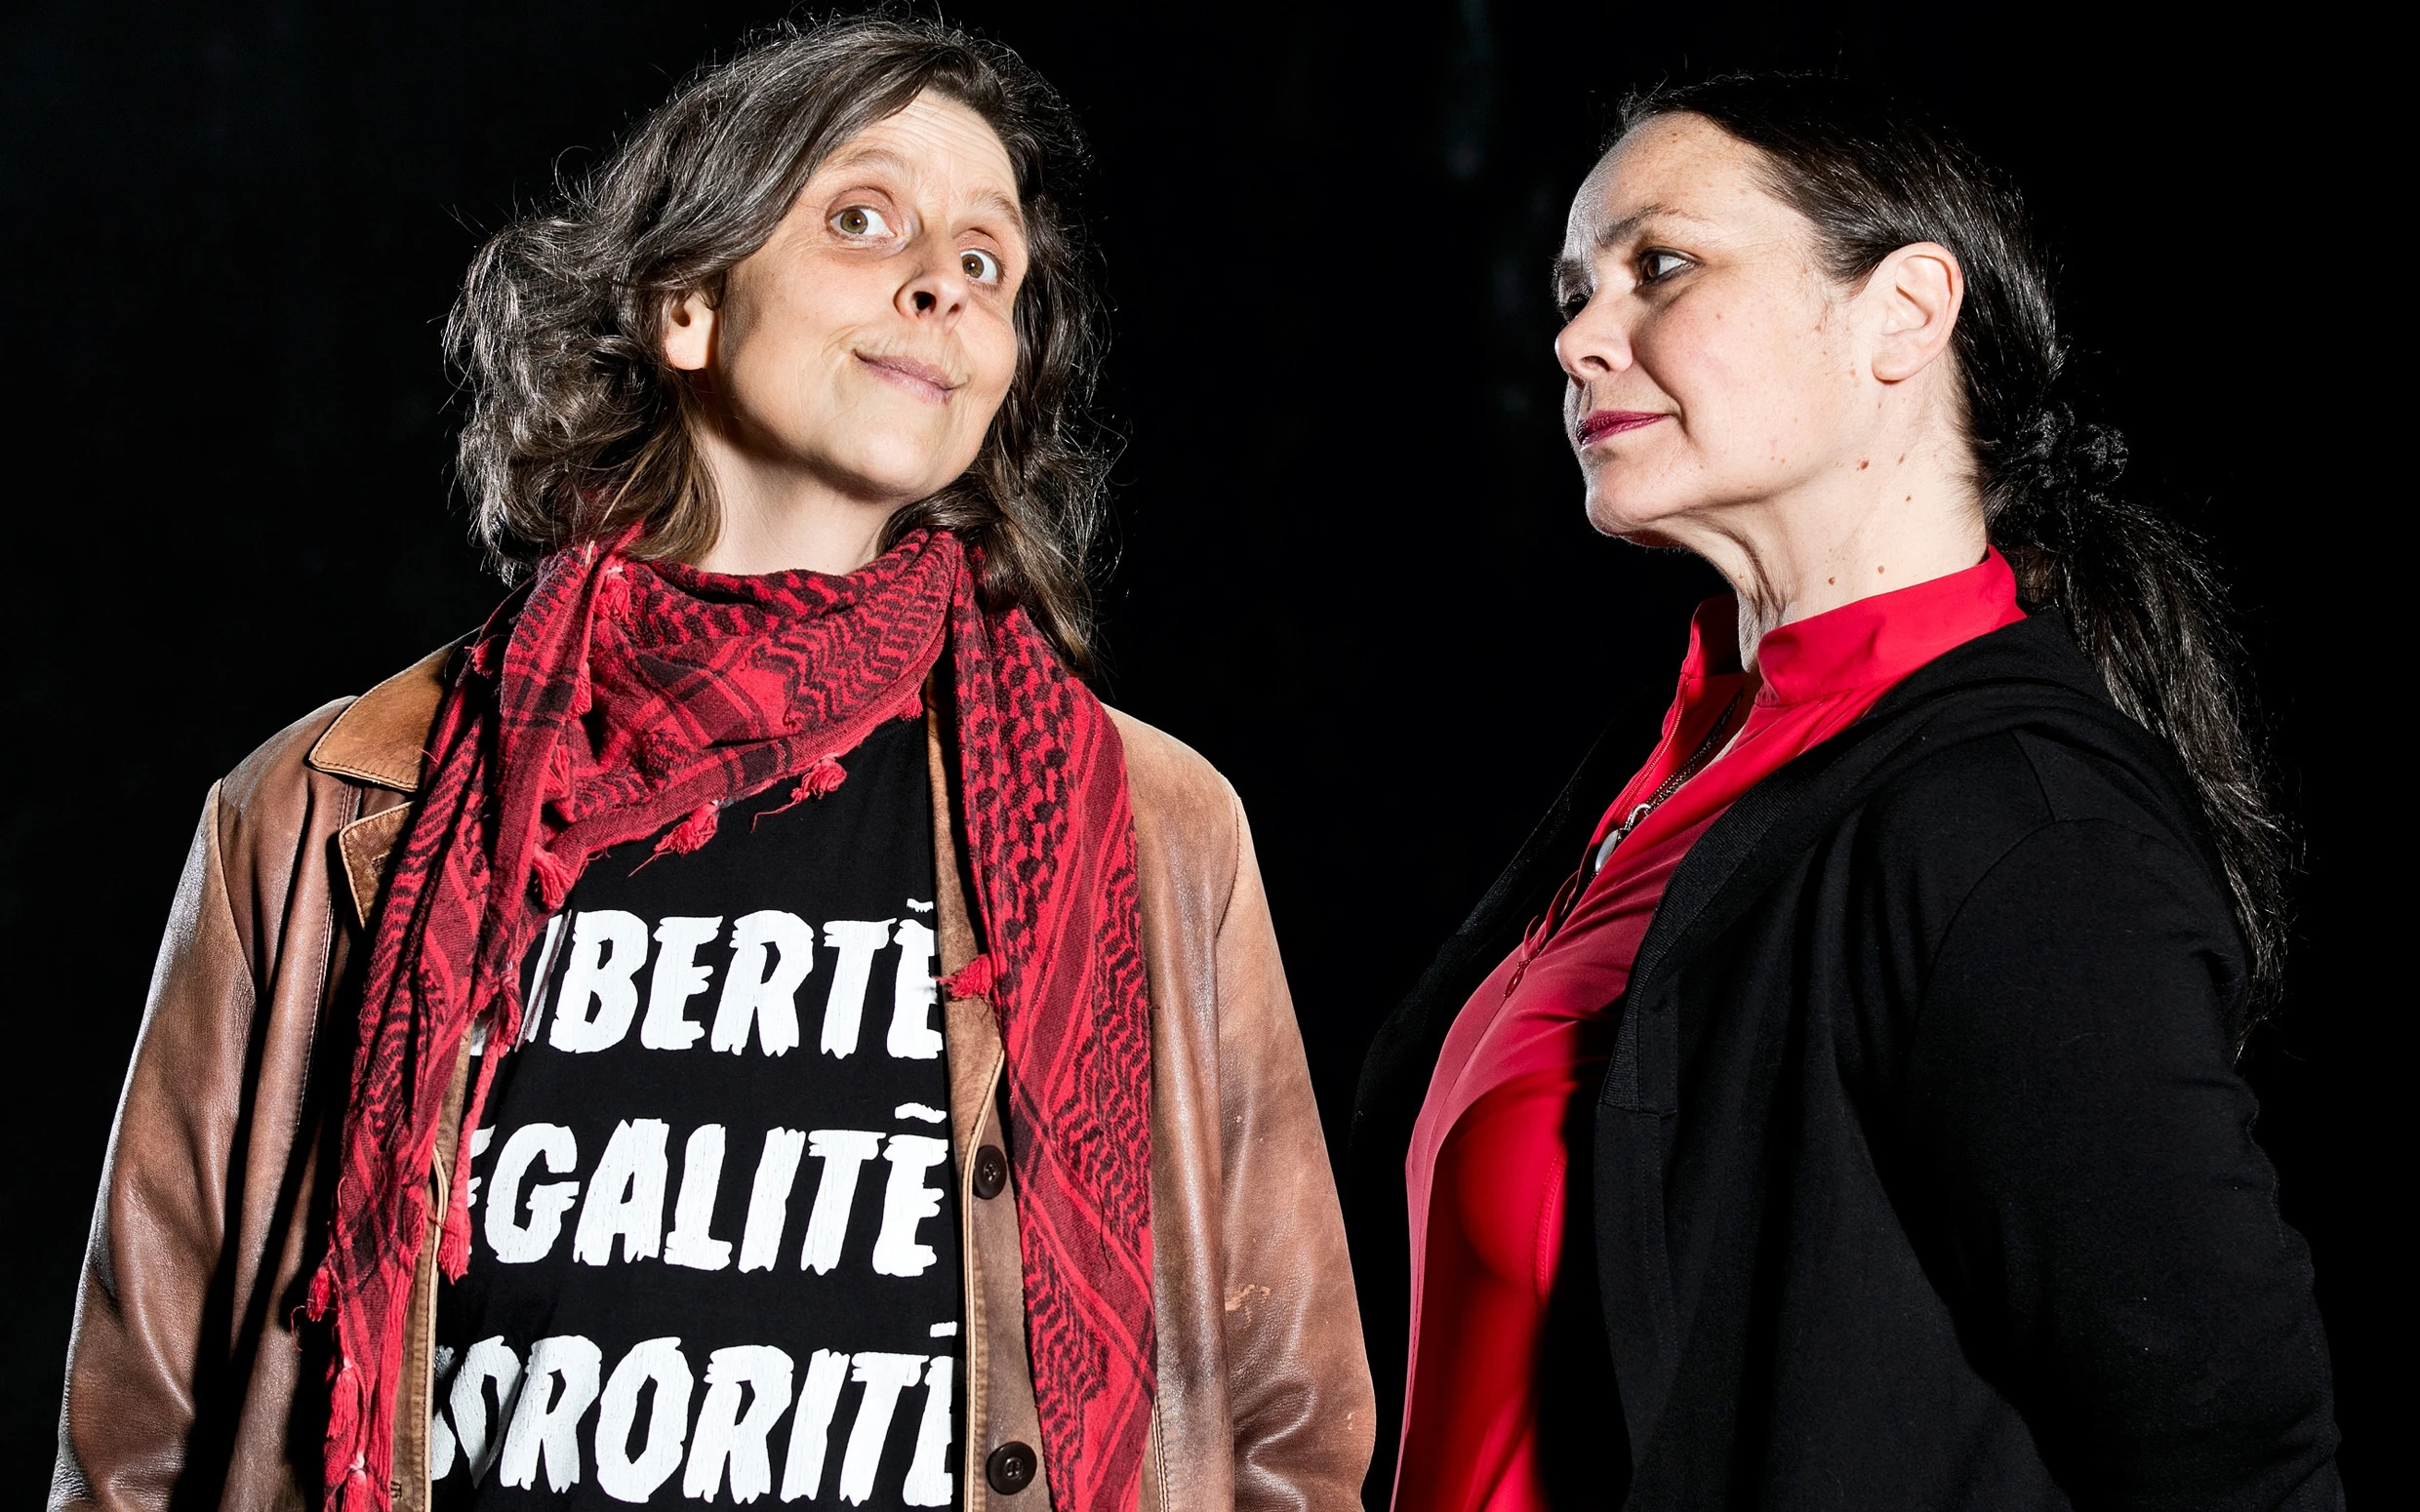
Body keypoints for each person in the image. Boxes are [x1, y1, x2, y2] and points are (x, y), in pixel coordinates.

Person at [54, 16, 1371, 1511]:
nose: (941, 281)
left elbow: (1289, 1431)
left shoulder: (1148, 822)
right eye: (863, 218)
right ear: (685, 304)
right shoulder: (326, 803)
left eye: (986, 261)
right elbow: (134, 1449)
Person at [1348, 74, 2338, 1512]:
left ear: (1904, 314)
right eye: (1573, 292)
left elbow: (2239, 1457)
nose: (1575, 337)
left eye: (1659, 265)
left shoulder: (2014, 827)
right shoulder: (1667, 765)